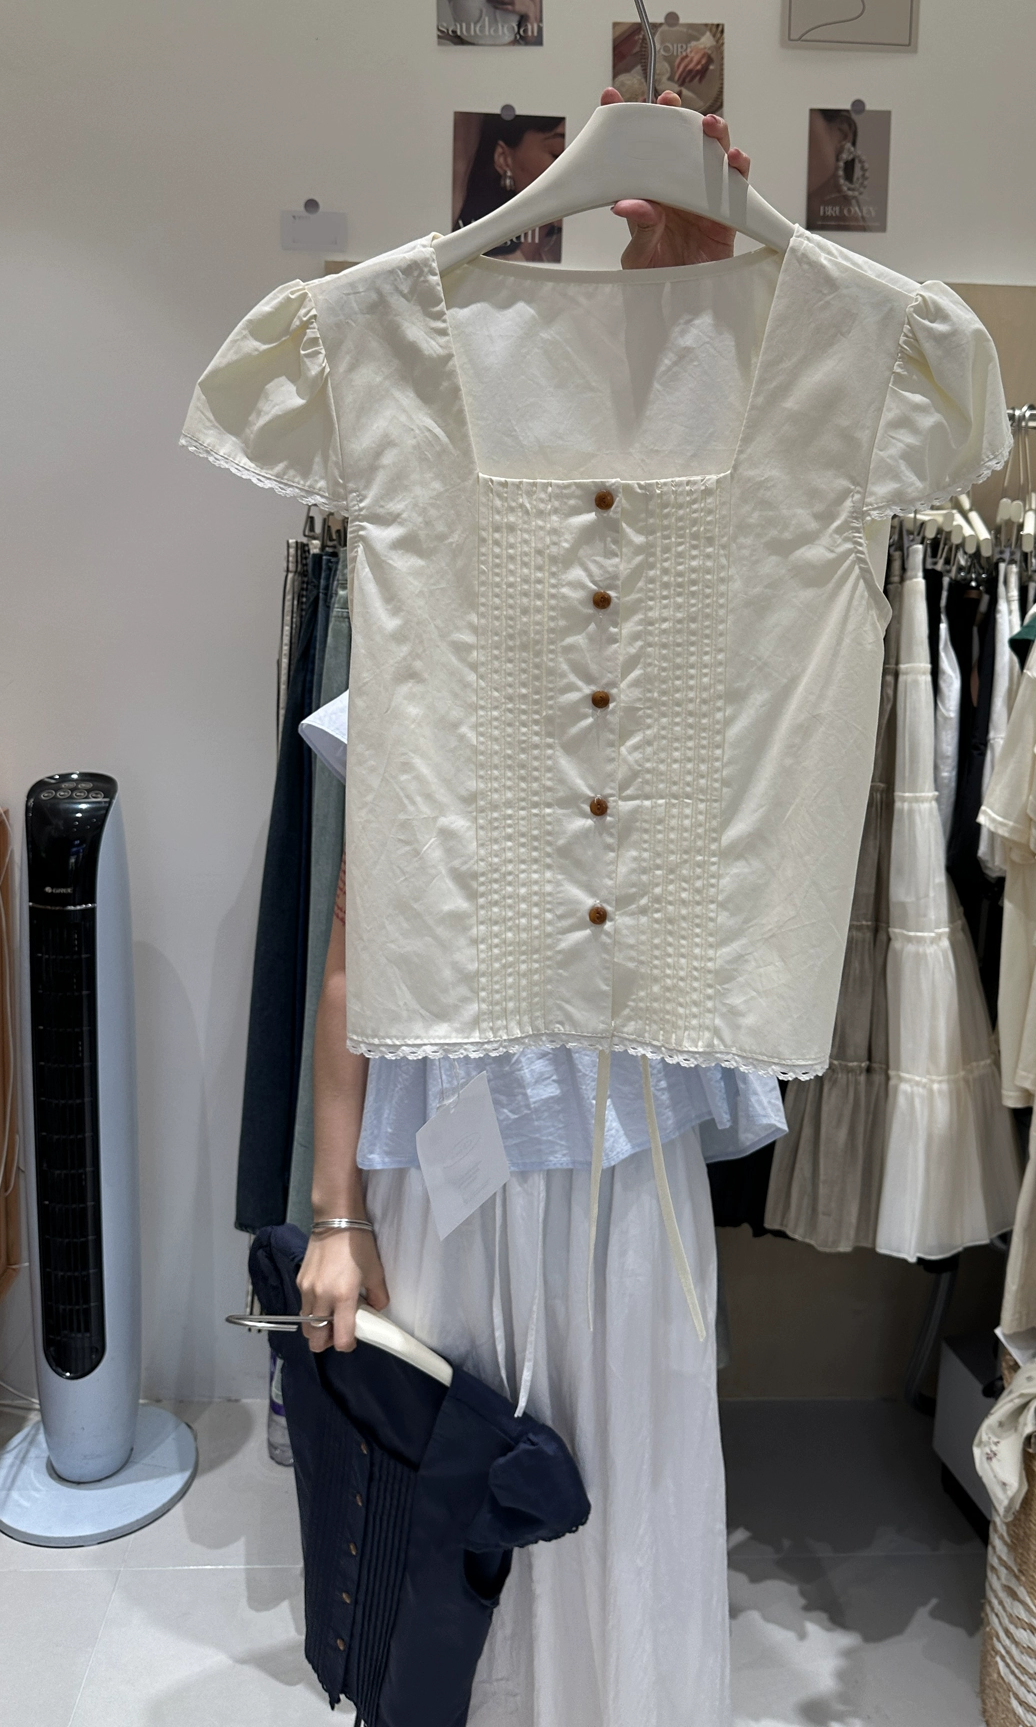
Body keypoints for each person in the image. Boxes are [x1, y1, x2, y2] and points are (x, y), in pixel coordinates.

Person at [297, 92, 769, 1727]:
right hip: (452, 1154)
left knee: (623, 1480)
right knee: (459, 1484)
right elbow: (352, 952)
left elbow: (728, 498)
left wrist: (699, 285)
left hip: (624, 1146)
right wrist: (336, 1219)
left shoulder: (684, 661)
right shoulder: (424, 649)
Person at [454, 113, 566, 263]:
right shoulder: (478, 266)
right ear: (504, 159)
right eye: (557, 153)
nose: (574, 169)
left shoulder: (563, 255)